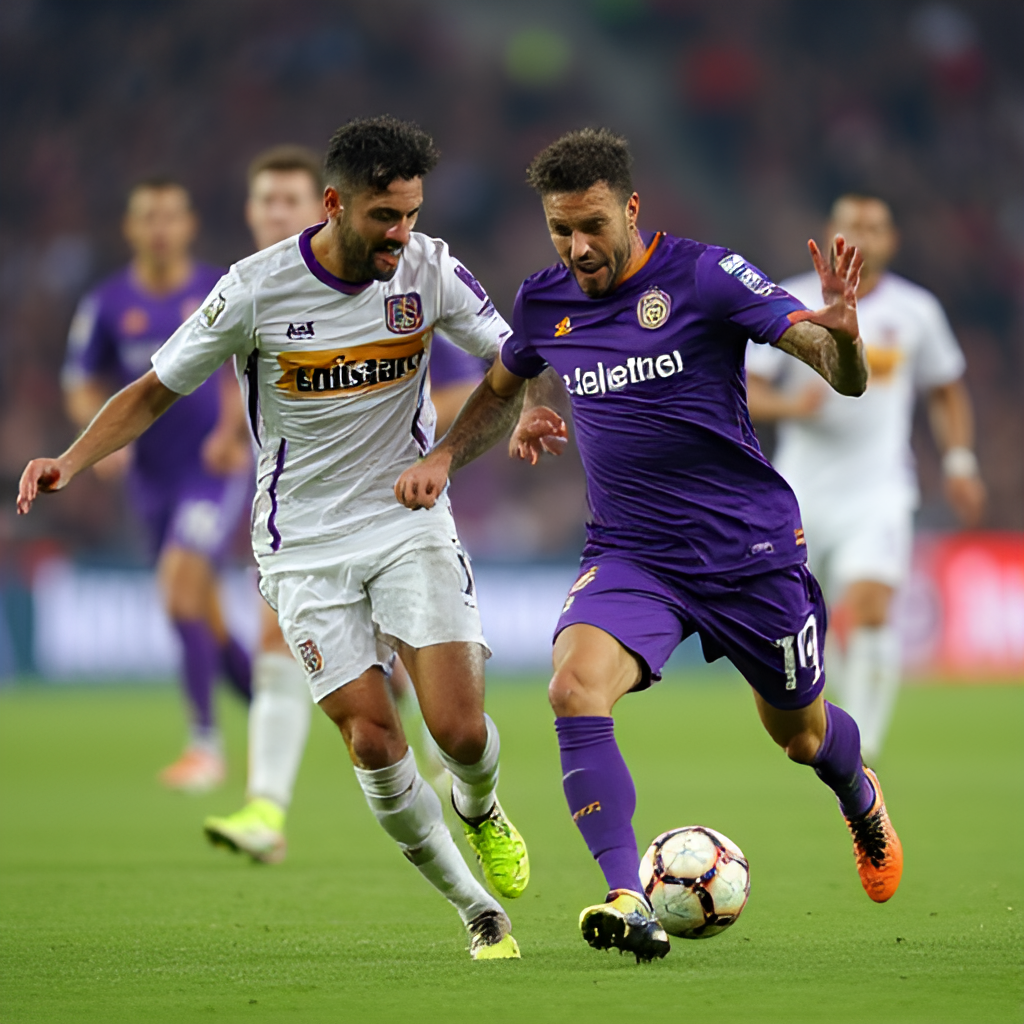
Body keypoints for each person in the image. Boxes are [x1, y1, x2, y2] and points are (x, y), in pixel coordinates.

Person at [20, 117, 528, 960]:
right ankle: (478, 912)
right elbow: (153, 390)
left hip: (407, 524)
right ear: (335, 204)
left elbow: (512, 356)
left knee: (461, 733)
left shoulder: (429, 270)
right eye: (384, 218)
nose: (401, 236)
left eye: (411, 215)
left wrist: (495, 425)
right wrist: (71, 460)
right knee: (372, 738)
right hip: (301, 547)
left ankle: (481, 806)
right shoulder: (253, 290)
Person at [395, 129, 903, 962]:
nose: (578, 246)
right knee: (571, 689)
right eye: (561, 229)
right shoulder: (544, 300)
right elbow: (500, 386)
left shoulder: (704, 275)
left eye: (593, 224)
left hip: (749, 554)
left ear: (631, 209)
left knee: (802, 737)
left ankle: (860, 794)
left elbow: (837, 373)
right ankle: (626, 894)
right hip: (634, 553)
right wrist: (447, 455)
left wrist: (842, 337)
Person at [203, 146, 487, 865]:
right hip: (300, 519)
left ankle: (447, 774)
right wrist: (232, 437)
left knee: (420, 686)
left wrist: (403, 424)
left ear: (324, 207)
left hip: (392, 511)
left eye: (287, 202)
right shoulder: (256, 293)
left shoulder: (398, 278)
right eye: (264, 201)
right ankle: (267, 805)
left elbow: (460, 380)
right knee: (303, 655)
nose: (275, 214)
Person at [745, 195, 985, 762]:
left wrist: (959, 462)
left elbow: (947, 388)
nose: (863, 236)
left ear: (891, 241)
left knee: (872, 606)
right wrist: (790, 407)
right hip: (801, 489)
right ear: (830, 233)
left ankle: (864, 750)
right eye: (852, 225)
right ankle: (825, 727)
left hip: (880, 489)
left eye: (874, 228)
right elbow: (745, 388)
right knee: (809, 620)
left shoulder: (916, 311)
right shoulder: (792, 298)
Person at [62, 178, 252, 793]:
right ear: (132, 229)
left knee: (178, 592)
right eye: (149, 217)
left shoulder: (219, 289)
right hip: (150, 481)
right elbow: (82, 381)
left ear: (189, 224)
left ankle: (204, 746)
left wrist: (230, 431)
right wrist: (98, 442)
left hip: (213, 469)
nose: (161, 228)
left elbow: (239, 370)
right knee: (208, 621)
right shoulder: (109, 304)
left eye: (171, 215)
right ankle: (279, 714)